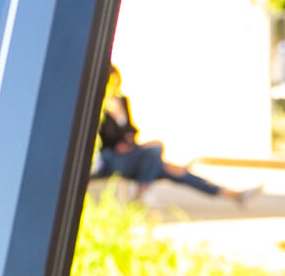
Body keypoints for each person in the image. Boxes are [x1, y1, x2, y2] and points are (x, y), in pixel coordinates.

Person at [94, 65, 250, 202]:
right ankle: (142, 194)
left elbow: (132, 129)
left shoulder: (122, 100)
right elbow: (103, 136)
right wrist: (120, 142)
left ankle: (233, 195)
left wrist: (128, 140)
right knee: (158, 155)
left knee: (164, 164)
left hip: (133, 154)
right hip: (112, 158)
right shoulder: (98, 104)